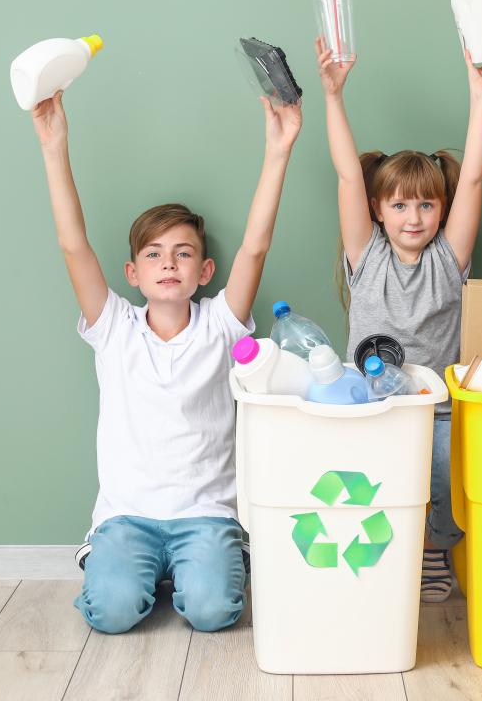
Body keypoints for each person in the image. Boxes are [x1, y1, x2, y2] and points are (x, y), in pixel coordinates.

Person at [29, 89, 302, 632]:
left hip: (205, 515)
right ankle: (125, 564)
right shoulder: (114, 329)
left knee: (213, 612)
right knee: (110, 614)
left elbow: (254, 247)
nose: (168, 263)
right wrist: (53, 145)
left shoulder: (221, 324)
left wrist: (279, 151)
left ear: (204, 272)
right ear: (133, 274)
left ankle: (204, 565)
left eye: (182, 253)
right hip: (126, 517)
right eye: (153, 254)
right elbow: (73, 244)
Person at [316, 35, 482, 602]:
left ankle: (432, 550)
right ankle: (378, 553)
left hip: (437, 411)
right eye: (399, 205)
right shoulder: (365, 254)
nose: (414, 216)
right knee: (365, 482)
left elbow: (471, 176)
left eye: (426, 204)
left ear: (442, 210)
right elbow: (349, 175)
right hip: (366, 407)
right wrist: (332, 94)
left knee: (442, 475)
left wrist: (481, 93)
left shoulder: (449, 260)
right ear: (378, 211)